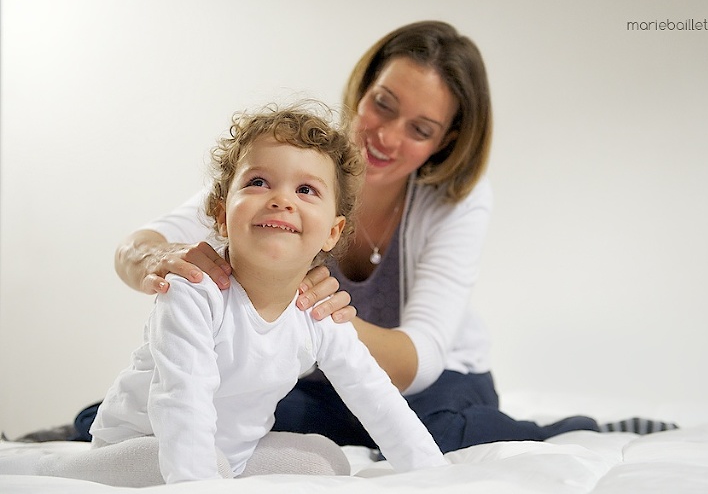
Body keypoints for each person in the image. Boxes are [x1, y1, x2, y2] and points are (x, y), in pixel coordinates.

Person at [74, 20, 676, 453]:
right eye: (382, 104)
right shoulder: (297, 165)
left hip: (431, 382)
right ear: (362, 89)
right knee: (204, 407)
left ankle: (574, 428)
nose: (386, 136)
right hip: (315, 381)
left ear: (445, 142)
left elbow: (420, 360)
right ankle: (82, 426)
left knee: (432, 432)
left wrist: (313, 314)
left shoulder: (455, 201)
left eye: (420, 128)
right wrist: (159, 259)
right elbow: (142, 242)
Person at [2, 104, 448, 486]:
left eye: (306, 190)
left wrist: (432, 475)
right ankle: (46, 464)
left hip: (230, 456)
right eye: (258, 182)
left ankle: (215, 475)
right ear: (220, 213)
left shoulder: (315, 311)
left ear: (332, 232)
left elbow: (376, 396)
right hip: (143, 443)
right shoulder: (196, 291)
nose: (281, 200)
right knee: (203, 463)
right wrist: (200, 485)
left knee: (326, 458)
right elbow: (183, 401)